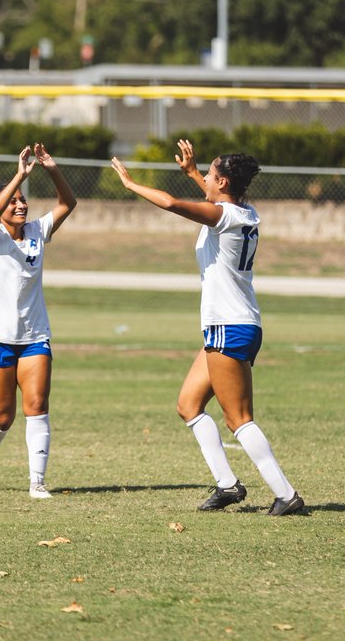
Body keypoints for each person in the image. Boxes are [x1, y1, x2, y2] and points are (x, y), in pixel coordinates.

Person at [110, 139, 303, 516]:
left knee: (238, 420)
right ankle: (228, 485)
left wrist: (131, 184)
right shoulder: (245, 211)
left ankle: (286, 495)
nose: (207, 181)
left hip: (230, 325)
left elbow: (171, 203)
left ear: (224, 183)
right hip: (237, 323)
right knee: (189, 405)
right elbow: (216, 200)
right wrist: (194, 173)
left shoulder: (223, 216)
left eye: (212, 176)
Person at [0, 144, 76, 499]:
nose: (20, 205)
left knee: (37, 407)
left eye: (23, 199)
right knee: (2, 417)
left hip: (34, 336)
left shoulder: (37, 231)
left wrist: (52, 168)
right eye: (13, 201)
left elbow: (68, 203)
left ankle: (37, 482)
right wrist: (19, 175)